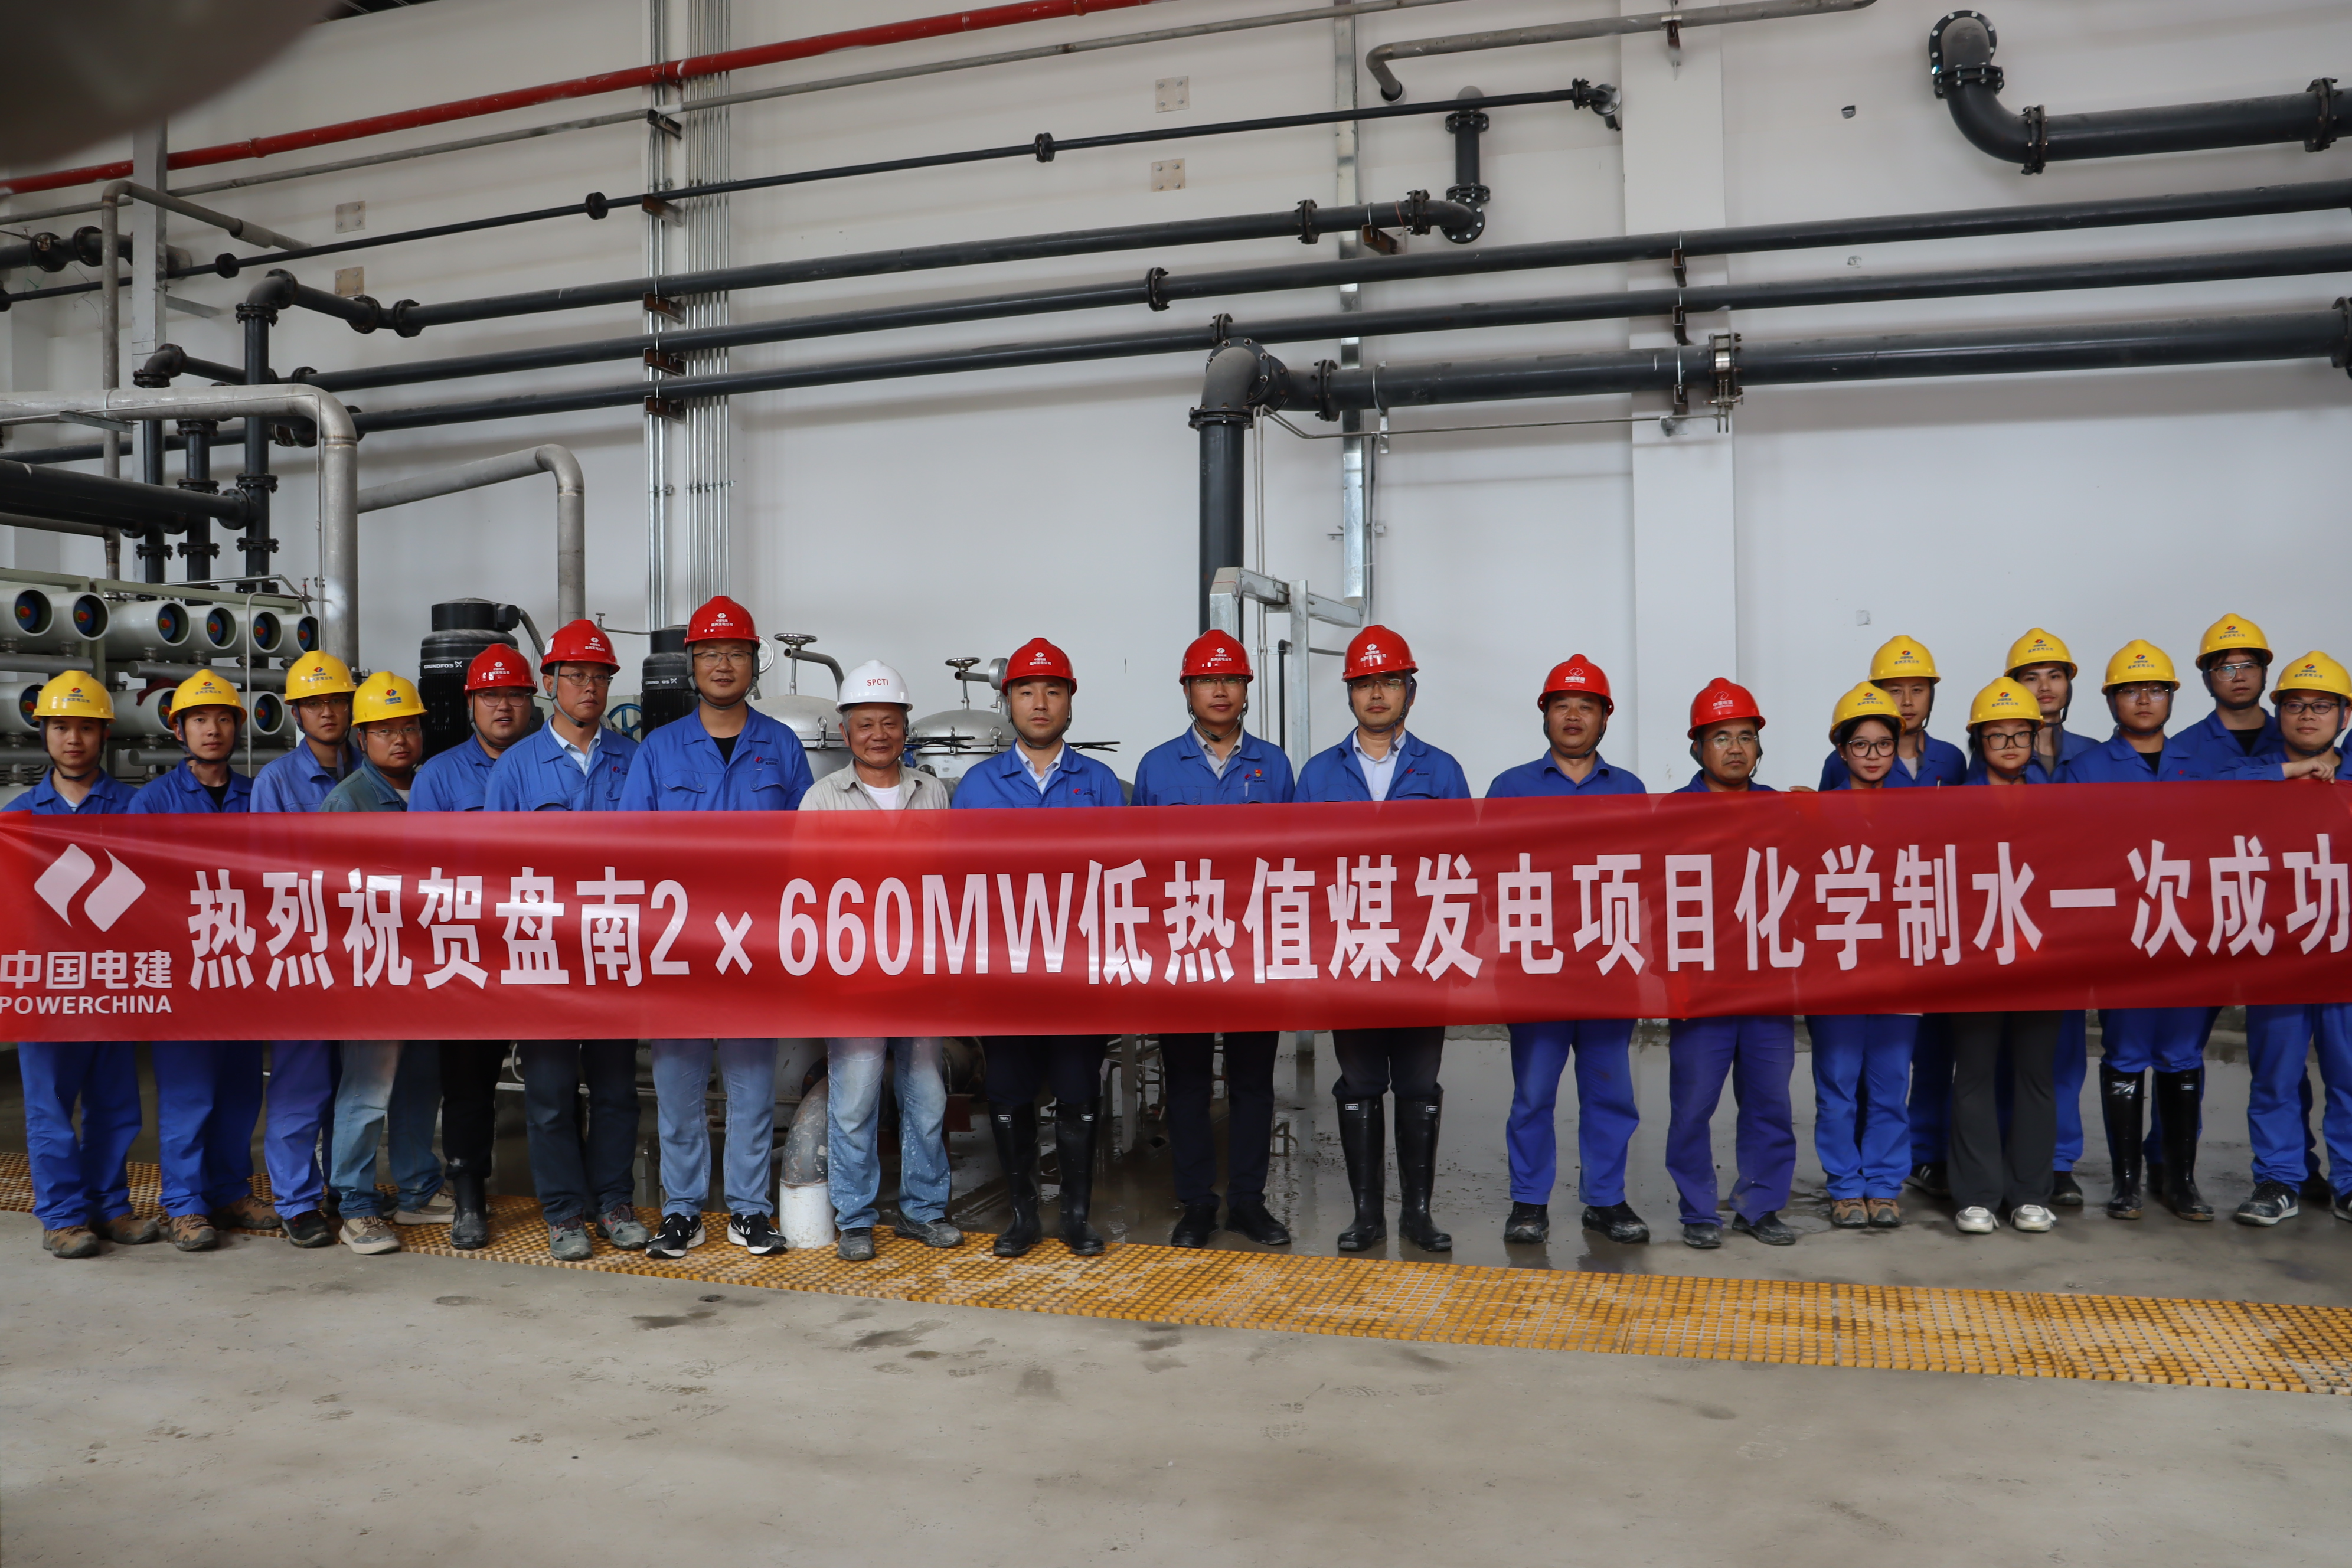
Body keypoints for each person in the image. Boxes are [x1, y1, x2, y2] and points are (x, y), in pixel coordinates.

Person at [618, 595, 812, 1260]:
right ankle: (682, 1211)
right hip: (680, 945)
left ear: (754, 663)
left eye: (735, 653)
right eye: (709, 654)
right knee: (678, 1087)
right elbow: (631, 851)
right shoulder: (659, 750)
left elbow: (806, 851)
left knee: (753, 1087)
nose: (723, 665)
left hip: (753, 943)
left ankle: (750, 1211)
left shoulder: (780, 746)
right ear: (692, 664)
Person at [1296, 625, 1472, 1254]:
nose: (1376, 694)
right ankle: (1367, 1214)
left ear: (1409, 692)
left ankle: (1417, 1215)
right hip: (1350, 955)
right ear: (1350, 693)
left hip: (1423, 954)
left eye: (1389, 682)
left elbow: (1467, 865)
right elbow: (1298, 870)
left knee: (1419, 1083)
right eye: (1365, 683)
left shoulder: (1442, 771)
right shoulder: (1319, 774)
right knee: (1361, 1082)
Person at [953, 636, 1124, 1259]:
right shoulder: (977, 786)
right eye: (1027, 691)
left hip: (1079, 969)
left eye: (1053, 691)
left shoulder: (1099, 784)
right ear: (1009, 703)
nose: (1041, 703)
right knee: (1009, 1091)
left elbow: (1121, 879)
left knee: (1078, 1091)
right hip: (1007, 971)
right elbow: (957, 884)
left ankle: (1076, 1216)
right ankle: (1023, 1216)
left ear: (1070, 701)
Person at [483, 619, 649, 1260]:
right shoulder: (517, 767)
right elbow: (496, 870)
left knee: (615, 1090)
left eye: (599, 676)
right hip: (543, 953)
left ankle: (613, 1201)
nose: (589, 687)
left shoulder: (633, 760)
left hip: (613, 947)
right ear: (550, 682)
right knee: (550, 1094)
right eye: (576, 675)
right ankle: (563, 1212)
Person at [1131, 631, 1297, 1249]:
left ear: (1246, 690)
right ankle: (1197, 1201)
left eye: (1230, 679)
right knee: (1188, 1081)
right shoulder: (1156, 767)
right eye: (1206, 679)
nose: (1219, 690)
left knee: (1252, 1082)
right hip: (1182, 946)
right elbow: (1138, 865)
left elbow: (1296, 860)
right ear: (1187, 690)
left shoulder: (1275, 766)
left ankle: (1249, 1201)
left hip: (1255, 947)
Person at [799, 659, 963, 1263]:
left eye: (889, 722)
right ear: (845, 732)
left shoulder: (932, 792)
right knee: (854, 1101)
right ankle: (856, 1218)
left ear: (905, 728)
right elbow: (803, 892)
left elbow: (950, 881)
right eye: (865, 724)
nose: (878, 734)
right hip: (854, 978)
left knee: (928, 1098)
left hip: (920, 973)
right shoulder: (822, 799)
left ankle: (924, 1209)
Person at [1484, 655, 1649, 1247]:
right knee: (1534, 1094)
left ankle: (1605, 1200)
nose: (1573, 716)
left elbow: (1648, 878)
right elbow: (1487, 881)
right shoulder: (1510, 787)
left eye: (1586, 706)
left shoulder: (1629, 790)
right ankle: (1529, 1201)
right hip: (1536, 971)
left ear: (1605, 717)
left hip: (1608, 969)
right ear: (1545, 715)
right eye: (1562, 705)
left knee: (1610, 1092)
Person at [128, 671, 277, 1250]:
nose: (211, 730)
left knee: (240, 1088)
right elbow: (139, 888)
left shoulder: (256, 797)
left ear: (237, 727)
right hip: (184, 971)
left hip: (241, 966)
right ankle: (185, 1204)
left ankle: (231, 1190)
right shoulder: (153, 802)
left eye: (222, 719)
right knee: (190, 1093)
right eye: (198, 720)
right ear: (179, 730)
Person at [6, 673, 149, 1259]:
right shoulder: (17, 818)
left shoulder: (135, 809)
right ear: (43, 732)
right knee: (49, 1107)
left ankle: (110, 1206)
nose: (73, 739)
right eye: (61, 727)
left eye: (85, 727)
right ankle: (63, 1216)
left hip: (112, 982)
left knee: (115, 1103)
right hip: (47, 987)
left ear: (104, 734)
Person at [406, 643, 538, 1251]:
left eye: (513, 695)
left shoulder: (551, 765)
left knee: (556, 1080)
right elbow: (424, 870)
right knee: (467, 1082)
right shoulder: (438, 776)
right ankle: (468, 1197)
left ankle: (572, 1199)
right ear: (470, 705)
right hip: (470, 950)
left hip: (543, 944)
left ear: (531, 701)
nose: (502, 706)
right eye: (490, 696)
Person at [320, 671, 451, 1253]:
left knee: (421, 1085)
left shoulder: (431, 790)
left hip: (428, 967)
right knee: (369, 1089)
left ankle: (419, 1189)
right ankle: (355, 1202)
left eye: (408, 727)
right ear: (361, 738)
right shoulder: (346, 802)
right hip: (372, 969)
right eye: (384, 730)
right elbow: (329, 898)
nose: (400, 739)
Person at [1664, 679, 1798, 1248]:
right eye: (1721, 738)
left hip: (1768, 986)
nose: (1736, 748)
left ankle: (1760, 1205)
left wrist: (1822, 813)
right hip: (1702, 988)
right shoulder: (1671, 814)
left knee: (1770, 1102)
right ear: (1698, 747)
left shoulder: (1781, 811)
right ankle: (1698, 1210)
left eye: (1746, 737)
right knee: (1693, 1105)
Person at [239, 651, 352, 1249]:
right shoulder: (277, 782)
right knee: (302, 1082)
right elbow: (268, 877)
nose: (327, 712)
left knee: (352, 1082)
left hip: (362, 948)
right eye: (314, 704)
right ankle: (297, 1200)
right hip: (303, 951)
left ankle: (343, 1186)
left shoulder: (370, 768)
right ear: (296, 713)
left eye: (336, 701)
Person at [2234, 651, 2351, 1226]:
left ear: (2345, 715)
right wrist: (2295, 771)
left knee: (2349, 1073)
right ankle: (2280, 1178)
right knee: (2276, 1073)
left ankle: (2350, 1181)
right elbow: (2206, 796)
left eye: (2322, 705)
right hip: (2277, 950)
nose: (2308, 715)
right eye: (2296, 704)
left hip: (2345, 952)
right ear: (2278, 712)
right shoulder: (2257, 772)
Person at [1947, 678, 2062, 1237]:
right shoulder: (1952, 805)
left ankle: (2031, 1195)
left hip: (2043, 959)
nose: (2011, 745)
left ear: (2036, 738)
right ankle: (1976, 1196)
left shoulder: (2060, 801)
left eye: (2021, 734)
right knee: (1973, 1075)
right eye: (1998, 735)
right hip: (1977, 960)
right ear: (1979, 740)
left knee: (2035, 1076)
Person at [1805, 683, 1916, 1230]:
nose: (1873, 756)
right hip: (1837, 973)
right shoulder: (1816, 815)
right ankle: (1845, 1186)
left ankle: (1885, 1185)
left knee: (1891, 1086)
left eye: (1883, 744)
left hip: (1900, 972)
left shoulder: (1921, 814)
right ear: (1842, 751)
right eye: (1861, 745)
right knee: (1838, 1087)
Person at [2000, 629, 2102, 1207]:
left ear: (2069, 685)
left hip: (2070, 919)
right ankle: (2004, 1151)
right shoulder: (1992, 753)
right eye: (2031, 677)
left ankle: (2058, 1161)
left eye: (2054, 676)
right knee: (2001, 1045)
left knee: (2063, 1048)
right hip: (2008, 915)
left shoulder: (2093, 754)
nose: (2044, 687)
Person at [1818, 635, 1965, 790]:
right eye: (1896, 691)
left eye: (1917, 690)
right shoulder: (1842, 760)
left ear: (1931, 694)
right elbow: (1829, 804)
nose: (1907, 701)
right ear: (1878, 693)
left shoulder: (1951, 757)